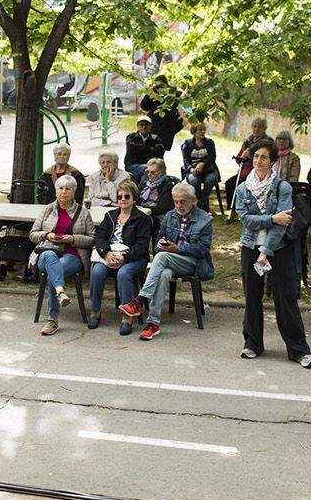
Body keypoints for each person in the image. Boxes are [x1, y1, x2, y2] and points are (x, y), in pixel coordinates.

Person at [236, 140, 311, 367]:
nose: (258, 161)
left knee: (285, 298)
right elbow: (245, 220)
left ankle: (299, 350)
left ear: (272, 161)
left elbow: (284, 223)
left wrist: (266, 250)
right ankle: (252, 343)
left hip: (278, 249)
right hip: (250, 247)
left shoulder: (283, 188)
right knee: (252, 296)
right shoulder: (243, 188)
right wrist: (271, 219)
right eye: (255, 157)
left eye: (263, 157)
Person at [118, 181, 212, 341]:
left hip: (192, 263)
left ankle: (140, 300)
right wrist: (161, 244)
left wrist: (178, 249)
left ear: (193, 200)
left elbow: (203, 249)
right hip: (169, 260)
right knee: (164, 274)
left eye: (183, 201)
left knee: (161, 257)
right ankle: (153, 323)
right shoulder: (170, 216)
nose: (179, 205)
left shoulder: (205, 219)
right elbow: (158, 241)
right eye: (176, 201)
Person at [30, 174, 94, 336]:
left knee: (54, 271)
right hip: (46, 252)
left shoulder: (83, 213)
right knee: (50, 257)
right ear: (56, 190)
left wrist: (72, 239)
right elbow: (33, 234)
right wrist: (46, 235)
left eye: (68, 189)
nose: (63, 192)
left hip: (72, 255)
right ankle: (61, 292)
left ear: (74, 192)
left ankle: (52, 319)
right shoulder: (48, 209)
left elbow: (92, 239)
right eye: (60, 188)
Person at [89, 177, 153, 334]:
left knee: (124, 273)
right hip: (110, 256)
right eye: (119, 196)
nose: (122, 199)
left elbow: (141, 246)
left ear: (134, 199)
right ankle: (95, 311)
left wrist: (124, 257)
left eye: (126, 196)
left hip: (133, 258)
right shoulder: (110, 216)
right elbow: (100, 238)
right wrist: (107, 254)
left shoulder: (142, 219)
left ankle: (127, 316)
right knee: (97, 271)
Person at [181, 122, 221, 211]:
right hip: (193, 170)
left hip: (208, 170)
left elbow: (212, 158)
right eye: (200, 130)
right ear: (194, 132)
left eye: (204, 130)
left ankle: (200, 204)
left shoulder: (209, 142)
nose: (203, 132)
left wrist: (202, 163)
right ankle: (203, 206)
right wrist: (191, 169)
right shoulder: (187, 143)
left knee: (211, 179)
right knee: (194, 180)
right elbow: (185, 160)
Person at [139, 79, 182, 161]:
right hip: (155, 129)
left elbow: (178, 117)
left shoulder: (174, 94)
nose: (160, 88)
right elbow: (144, 106)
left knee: (157, 158)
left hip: (163, 131)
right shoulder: (155, 93)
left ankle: (158, 172)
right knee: (153, 157)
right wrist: (151, 92)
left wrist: (172, 130)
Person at [124, 116, 166, 181]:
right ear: (137, 126)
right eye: (141, 125)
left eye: (146, 125)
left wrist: (140, 149)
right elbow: (131, 148)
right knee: (147, 169)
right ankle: (144, 188)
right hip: (133, 166)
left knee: (157, 169)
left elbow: (160, 151)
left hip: (151, 166)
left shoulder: (155, 138)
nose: (144, 127)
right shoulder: (131, 137)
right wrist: (151, 149)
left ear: (150, 126)